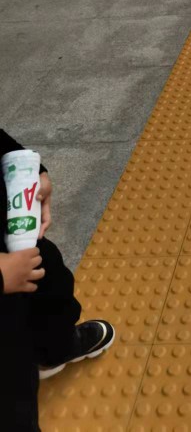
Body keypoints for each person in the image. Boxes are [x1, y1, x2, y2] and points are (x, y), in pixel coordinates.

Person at [0, 129, 115, 431]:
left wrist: (34, 170)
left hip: (11, 232)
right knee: (11, 378)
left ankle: (56, 348)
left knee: (49, 278)